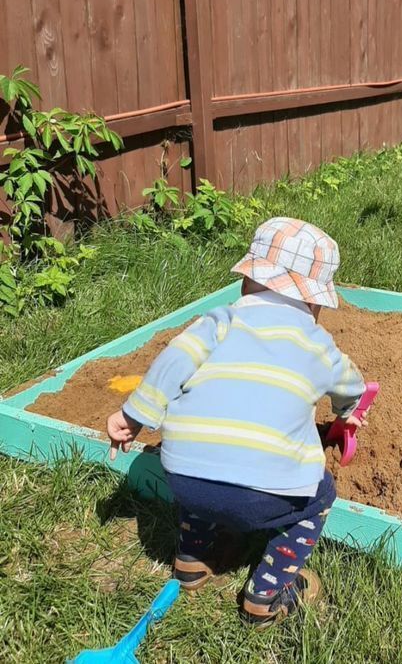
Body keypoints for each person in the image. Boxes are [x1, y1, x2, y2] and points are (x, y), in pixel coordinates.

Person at [106, 218, 366, 628]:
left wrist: (133, 416)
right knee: (319, 496)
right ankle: (268, 591)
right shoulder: (318, 344)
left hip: (185, 478)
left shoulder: (218, 321)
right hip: (267, 494)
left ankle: (191, 560)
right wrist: (348, 411)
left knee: (206, 464)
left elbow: (172, 362)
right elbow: (351, 384)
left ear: (248, 280)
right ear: (315, 304)